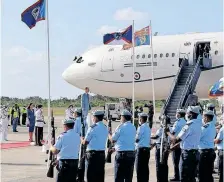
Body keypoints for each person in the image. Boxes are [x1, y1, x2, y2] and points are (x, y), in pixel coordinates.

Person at [166, 106, 202, 182]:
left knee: (184, 177)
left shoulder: (189, 125)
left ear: (191, 115)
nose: (186, 114)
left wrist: (168, 132)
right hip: (195, 154)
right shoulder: (198, 124)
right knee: (192, 177)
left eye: (187, 113)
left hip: (187, 155)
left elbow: (176, 139)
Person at [108, 110, 136, 182]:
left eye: (121, 117)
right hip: (131, 154)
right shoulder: (133, 127)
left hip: (122, 155)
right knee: (128, 177)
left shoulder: (121, 127)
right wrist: (115, 148)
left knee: (119, 177)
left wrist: (109, 134)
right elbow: (125, 141)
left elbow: (113, 140)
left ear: (124, 118)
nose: (120, 118)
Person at [82, 110, 108, 182]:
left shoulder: (93, 127)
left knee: (90, 176)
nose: (92, 119)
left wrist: (81, 139)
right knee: (100, 176)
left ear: (96, 118)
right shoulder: (105, 127)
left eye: (93, 117)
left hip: (92, 155)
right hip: (101, 154)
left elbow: (85, 142)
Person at [151, 116, 171, 182]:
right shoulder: (170, 128)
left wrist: (149, 136)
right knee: (165, 165)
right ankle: (164, 179)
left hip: (160, 149)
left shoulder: (162, 129)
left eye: (161, 120)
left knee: (159, 166)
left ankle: (159, 179)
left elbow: (156, 137)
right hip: (166, 148)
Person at [198, 110, 216, 182]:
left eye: (203, 117)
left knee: (202, 174)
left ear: (206, 118)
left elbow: (197, 137)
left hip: (204, 153)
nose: (203, 118)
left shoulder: (205, 127)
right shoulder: (212, 126)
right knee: (208, 174)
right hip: (210, 151)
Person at [170, 109, 186, 181]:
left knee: (176, 161)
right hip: (182, 144)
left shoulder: (177, 122)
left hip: (176, 143)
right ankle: (180, 175)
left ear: (179, 114)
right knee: (180, 161)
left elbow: (172, 133)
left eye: (176, 113)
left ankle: (177, 176)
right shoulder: (186, 122)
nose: (176, 115)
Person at [135, 113, 151, 182]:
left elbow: (137, 139)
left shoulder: (141, 127)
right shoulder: (148, 127)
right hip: (147, 149)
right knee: (145, 168)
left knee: (139, 168)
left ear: (141, 119)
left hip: (141, 150)